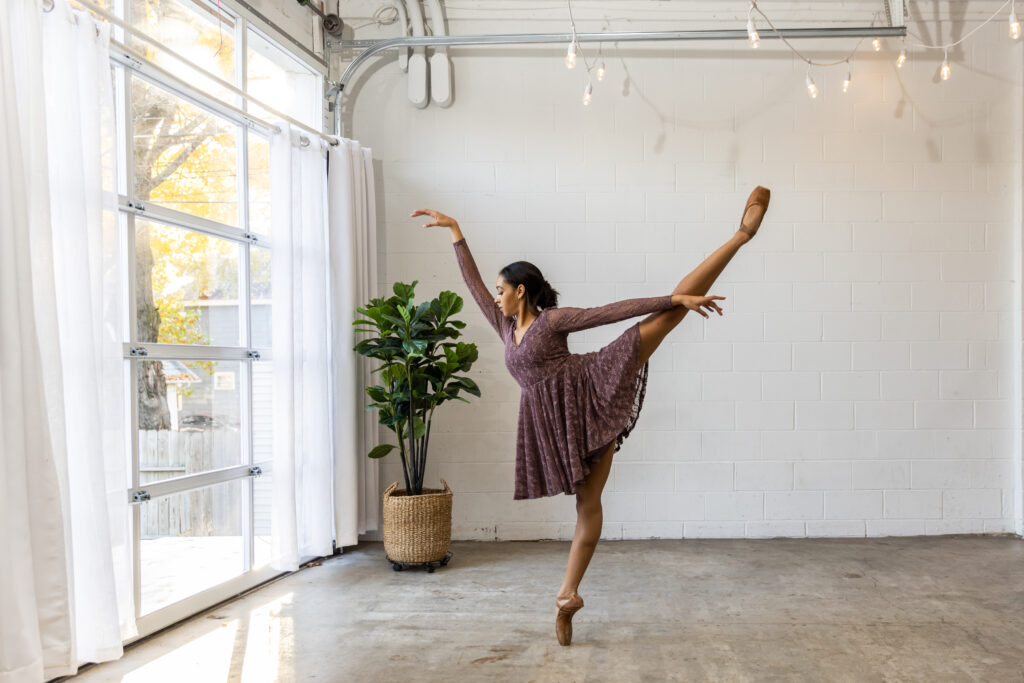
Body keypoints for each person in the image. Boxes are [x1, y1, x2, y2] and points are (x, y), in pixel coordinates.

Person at [410, 185, 770, 647]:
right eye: (498, 291)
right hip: (556, 423)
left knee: (667, 317)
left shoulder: (551, 322)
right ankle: (568, 597)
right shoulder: (505, 326)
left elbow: (607, 313)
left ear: (521, 292)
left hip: (591, 388)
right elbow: (475, 285)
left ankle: (740, 235)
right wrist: (457, 232)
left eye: (503, 290)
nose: (496, 297)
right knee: (586, 505)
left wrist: (671, 300)